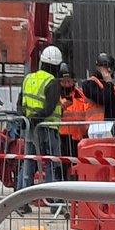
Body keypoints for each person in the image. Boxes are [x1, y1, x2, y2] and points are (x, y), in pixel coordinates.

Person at [16, 45, 66, 192]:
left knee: (28, 163)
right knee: (53, 163)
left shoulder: (28, 79)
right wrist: (36, 119)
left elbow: (20, 104)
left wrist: (28, 118)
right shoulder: (52, 82)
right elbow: (49, 108)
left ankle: (21, 199)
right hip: (48, 129)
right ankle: (53, 198)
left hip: (31, 129)